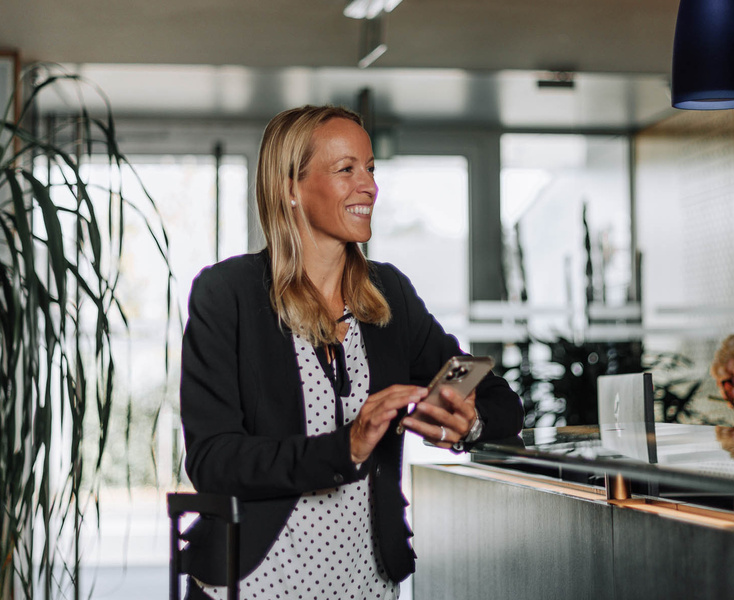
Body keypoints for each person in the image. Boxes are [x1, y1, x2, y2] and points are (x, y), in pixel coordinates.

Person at [179, 105, 524, 599]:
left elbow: (492, 393)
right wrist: (345, 447)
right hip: (255, 582)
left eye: (370, 168)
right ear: (289, 188)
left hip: (366, 584)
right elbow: (213, 459)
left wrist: (466, 421)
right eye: (347, 170)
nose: (369, 186)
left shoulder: (389, 295)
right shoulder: (227, 293)